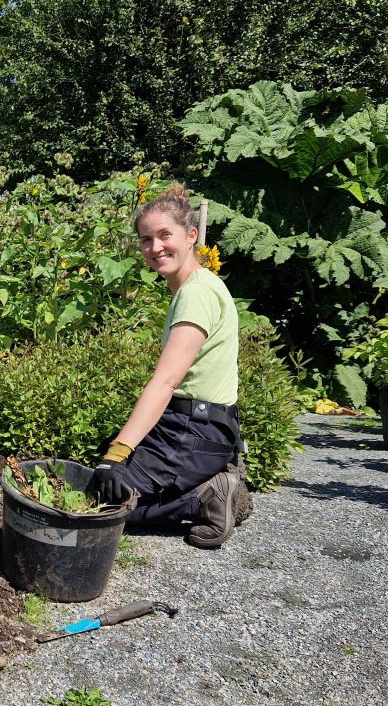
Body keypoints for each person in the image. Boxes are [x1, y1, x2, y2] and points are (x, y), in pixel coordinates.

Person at [91, 184, 251, 548]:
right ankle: (201, 485)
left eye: (166, 235)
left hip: (193, 432)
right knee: (102, 476)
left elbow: (165, 382)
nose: (155, 247)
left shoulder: (196, 294)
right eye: (147, 240)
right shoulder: (198, 287)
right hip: (197, 427)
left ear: (191, 235)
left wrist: (119, 452)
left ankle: (205, 497)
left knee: (100, 505)